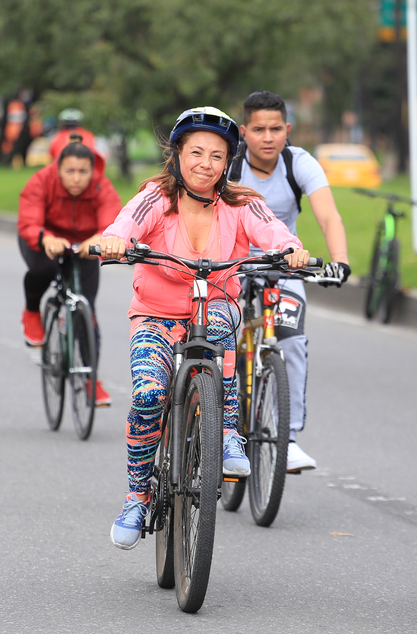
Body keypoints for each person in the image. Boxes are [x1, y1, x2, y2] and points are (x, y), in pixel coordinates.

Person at [96, 107, 310, 549]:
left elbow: (273, 231)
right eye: (196, 152)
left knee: (218, 323)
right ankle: (137, 497)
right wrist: (116, 240)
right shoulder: (157, 197)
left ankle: (228, 432)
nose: (205, 164)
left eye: (217, 156)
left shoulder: (242, 202)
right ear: (177, 153)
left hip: (215, 305)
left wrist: (291, 248)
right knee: (148, 396)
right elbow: (127, 221)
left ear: (228, 162)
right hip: (156, 316)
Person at [228, 91, 351, 472]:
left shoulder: (298, 162)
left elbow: (328, 216)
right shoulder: (229, 166)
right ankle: (214, 422)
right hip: (230, 266)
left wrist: (340, 261)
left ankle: (289, 438)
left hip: (284, 266)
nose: (268, 138)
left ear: (288, 129)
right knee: (216, 340)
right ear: (244, 132)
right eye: (259, 130)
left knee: (291, 340)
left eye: (276, 129)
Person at [17, 138, 122, 406]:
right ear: (58, 169)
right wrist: (46, 239)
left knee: (87, 310)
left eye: (83, 171)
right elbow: (28, 221)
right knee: (44, 267)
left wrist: (100, 237)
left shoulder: (102, 186)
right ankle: (32, 312)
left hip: (84, 246)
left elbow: (113, 221)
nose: (76, 178)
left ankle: (91, 380)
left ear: (92, 171)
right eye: (70, 171)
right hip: (45, 241)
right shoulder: (41, 181)